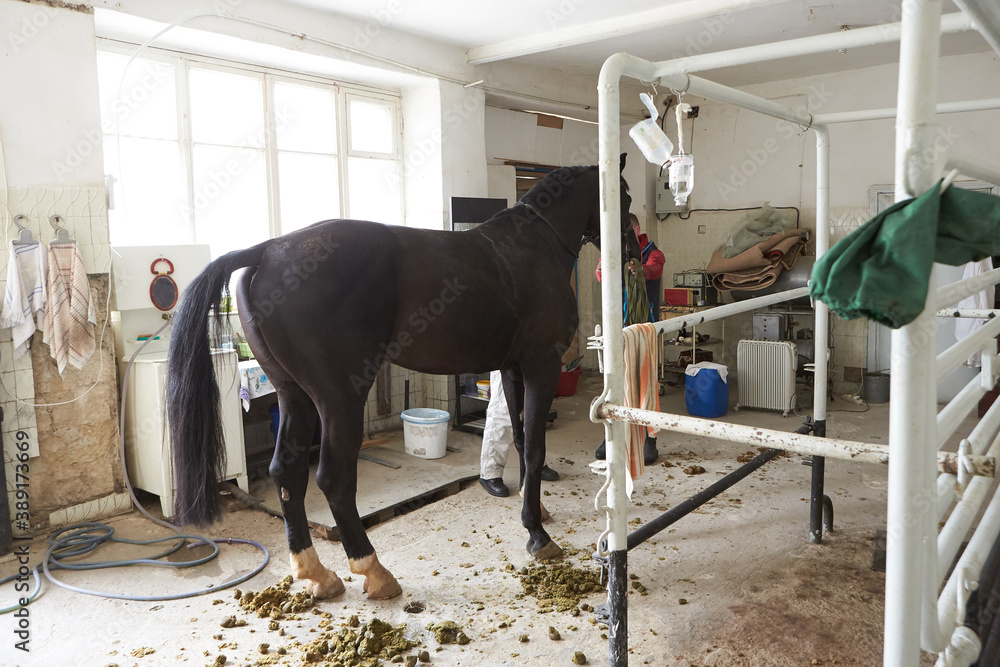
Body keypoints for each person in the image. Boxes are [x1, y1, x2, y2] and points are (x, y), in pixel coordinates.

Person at [594, 213, 665, 465]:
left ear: (637, 229)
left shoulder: (652, 252)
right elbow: (602, 276)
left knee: (646, 383)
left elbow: (655, 269)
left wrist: (639, 269)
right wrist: (601, 269)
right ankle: (612, 436)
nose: (623, 236)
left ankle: (649, 439)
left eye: (627, 231)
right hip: (617, 327)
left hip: (644, 327)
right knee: (615, 381)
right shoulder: (614, 250)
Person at [479, 370, 560, 497]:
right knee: (503, 407)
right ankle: (490, 472)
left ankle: (535, 465)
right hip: (505, 361)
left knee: (533, 410)